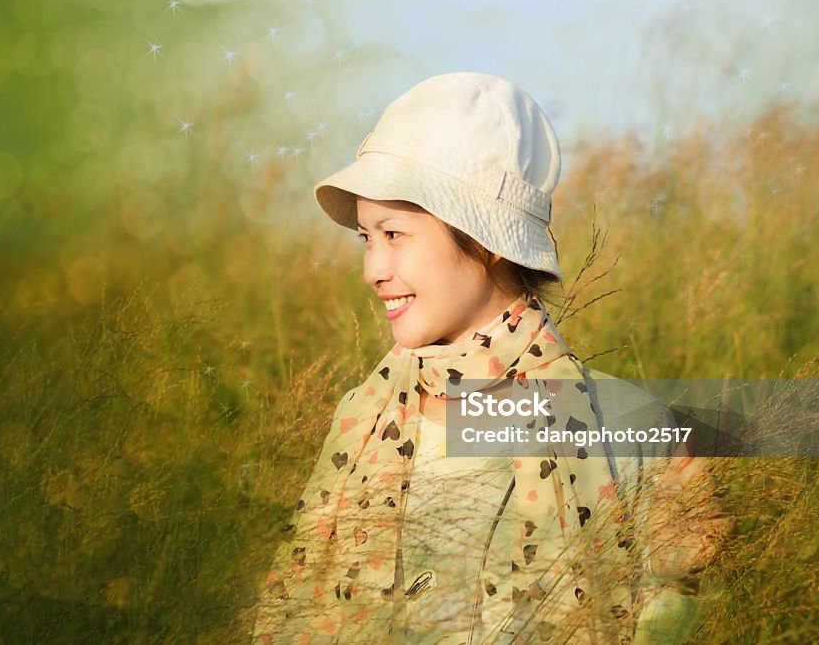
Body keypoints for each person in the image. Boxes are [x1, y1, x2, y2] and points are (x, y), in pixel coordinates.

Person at [251, 72, 727, 644]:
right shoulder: (364, 416)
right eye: (366, 238)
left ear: (487, 239)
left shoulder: (623, 423)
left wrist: (679, 585)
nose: (373, 269)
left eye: (395, 234)